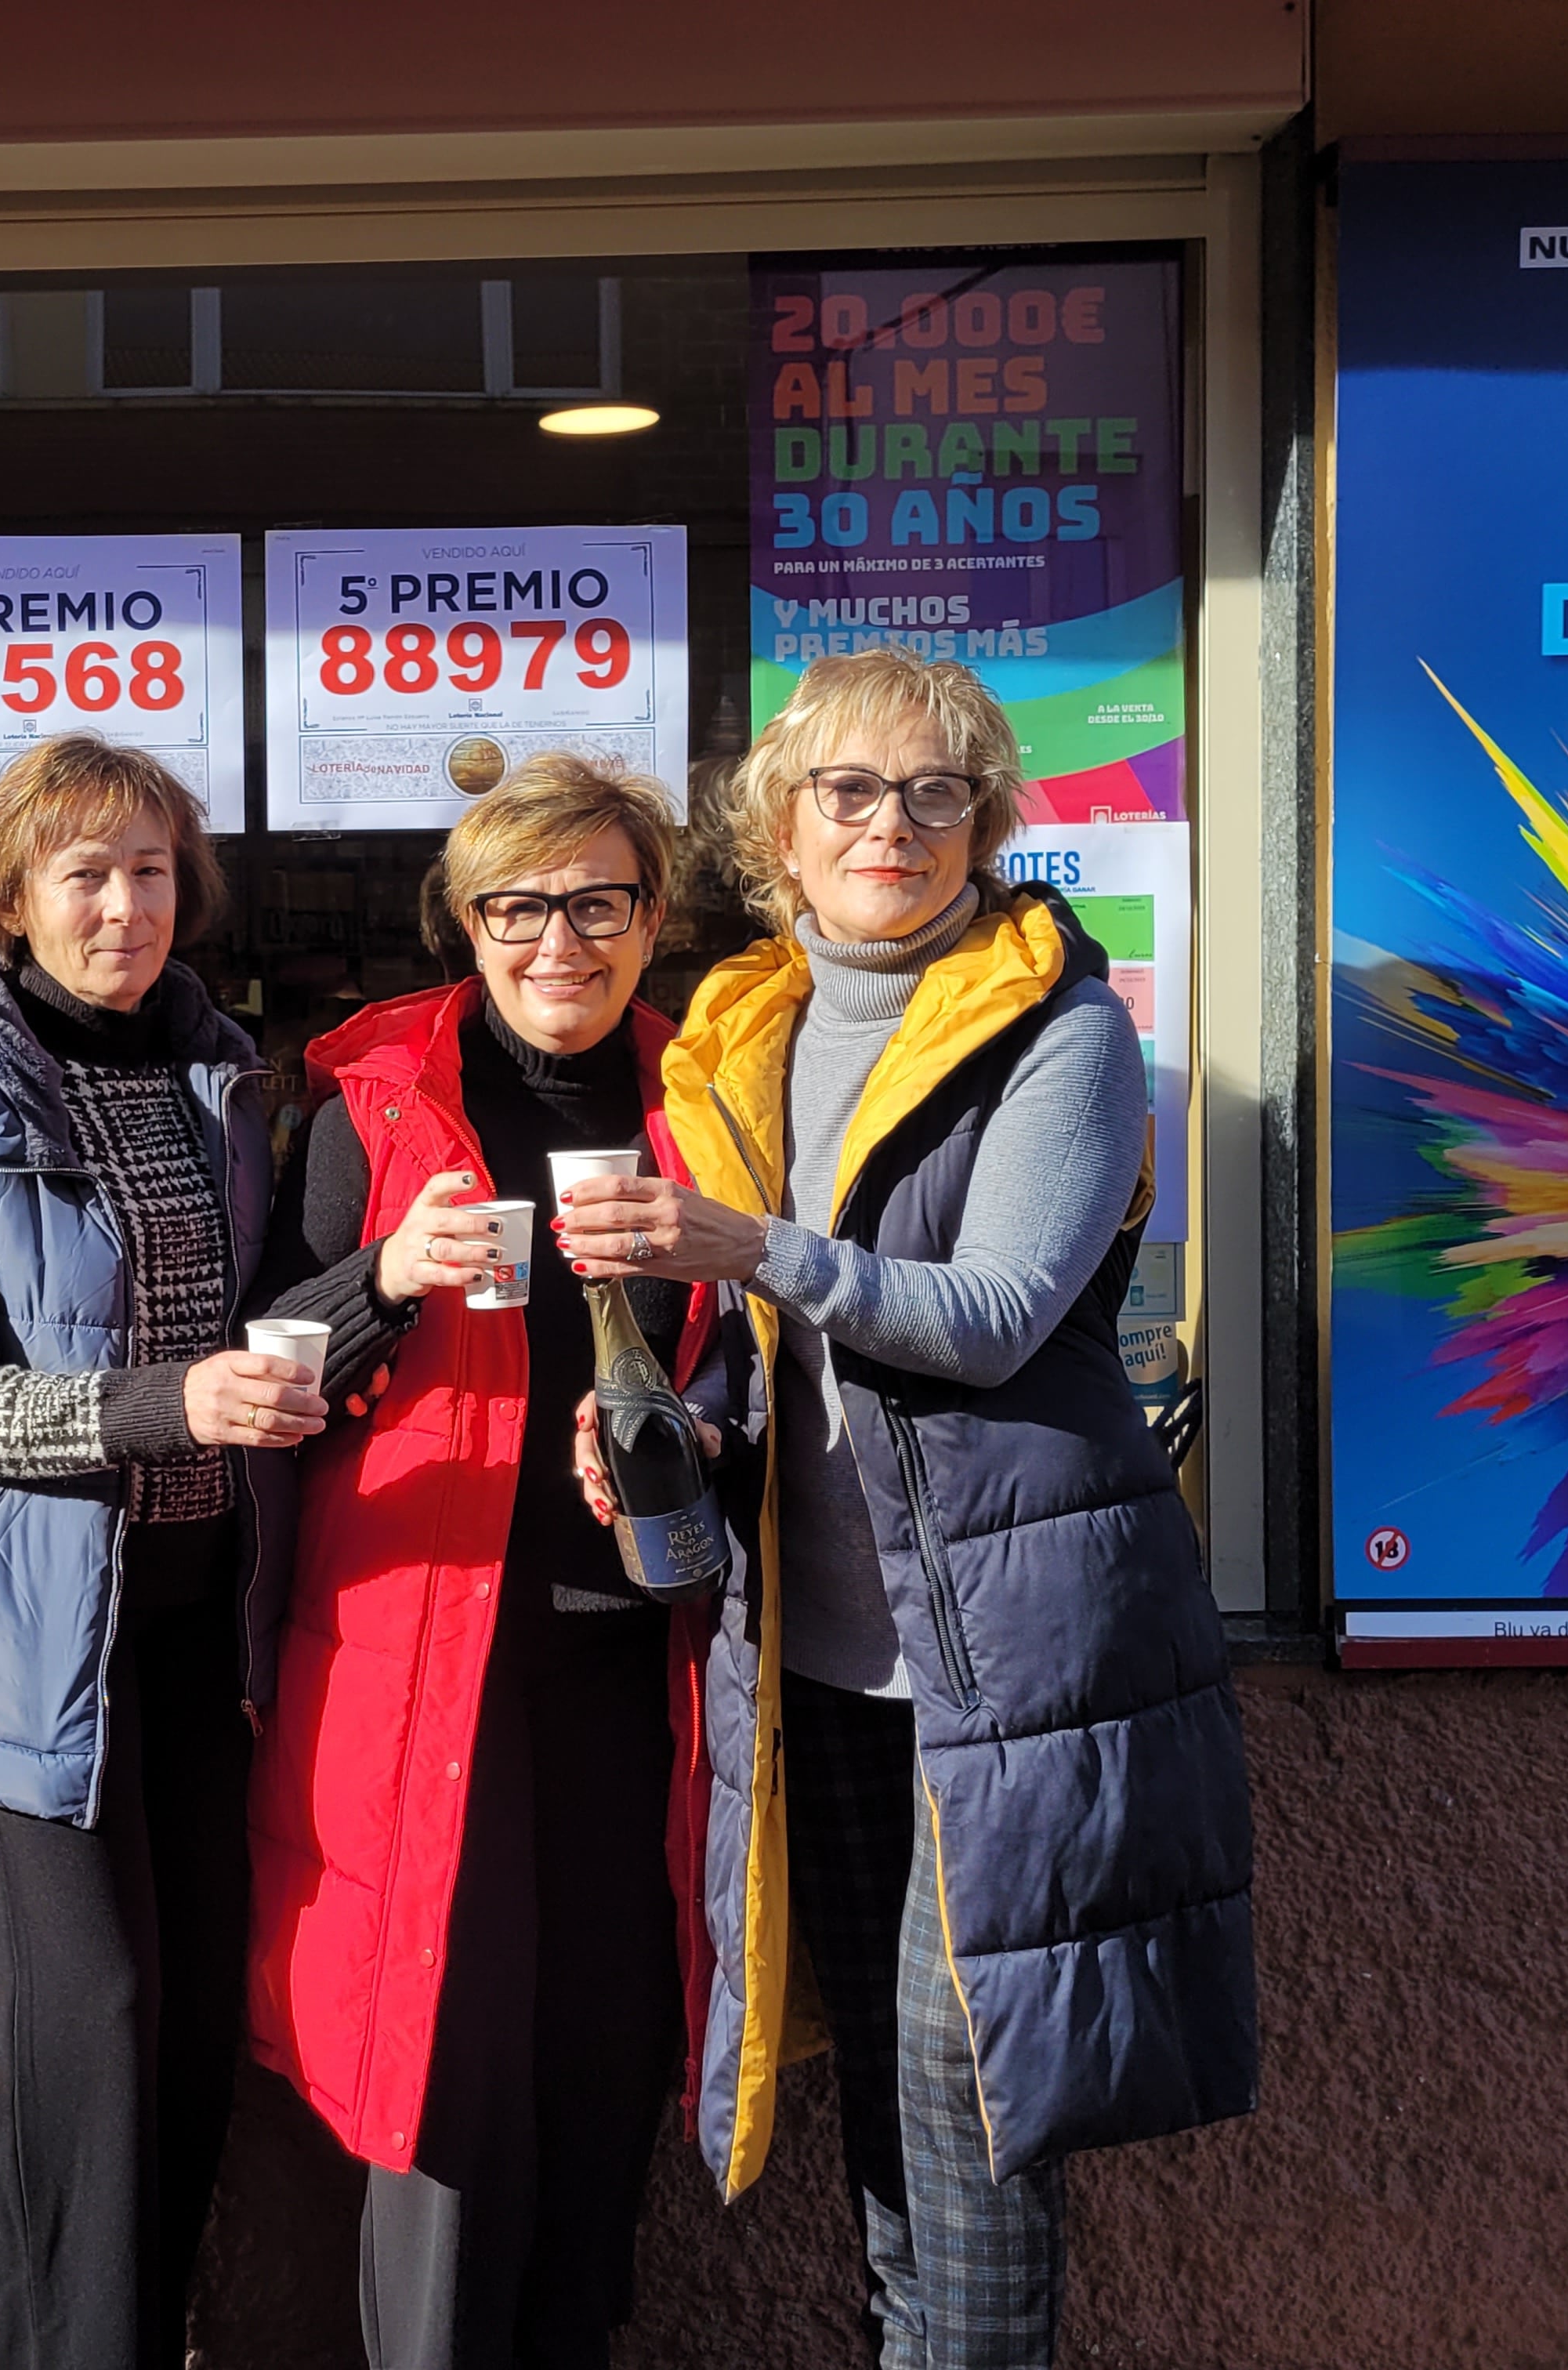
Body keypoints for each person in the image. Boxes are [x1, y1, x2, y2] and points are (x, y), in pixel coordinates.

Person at [559, 647, 1258, 2370]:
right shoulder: (752, 1022)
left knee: (973, 2110)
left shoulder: (1064, 1029)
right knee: (877, 2089)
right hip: (812, 1657)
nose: (894, 826)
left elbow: (998, 1313)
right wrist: (662, 1421)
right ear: (780, 829)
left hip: (1005, 1661)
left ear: (985, 826)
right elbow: (766, 1358)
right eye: (850, 793)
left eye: (936, 793)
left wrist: (755, 1248)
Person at [242, 755, 733, 2370]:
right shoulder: (370, 1103)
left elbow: (769, 1356)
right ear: (465, 920)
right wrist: (381, 1276)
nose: (559, 943)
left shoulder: (714, 1099)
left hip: (634, 1661)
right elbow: (258, 1377)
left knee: (605, 2054)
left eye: (599, 903)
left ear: (654, 917)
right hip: (423, 1668)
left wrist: (699, 1423)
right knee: (446, 2064)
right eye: (518, 906)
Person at [0, 735, 323, 2370]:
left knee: (193, 2029)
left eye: (146, 872)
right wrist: (162, 1407)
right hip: (33, 1641)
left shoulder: (213, 1072)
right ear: (12, 898)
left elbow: (255, 1315)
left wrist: (353, 1308)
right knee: (99, 2030)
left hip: (201, 1627)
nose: (122, 906)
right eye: (83, 875)